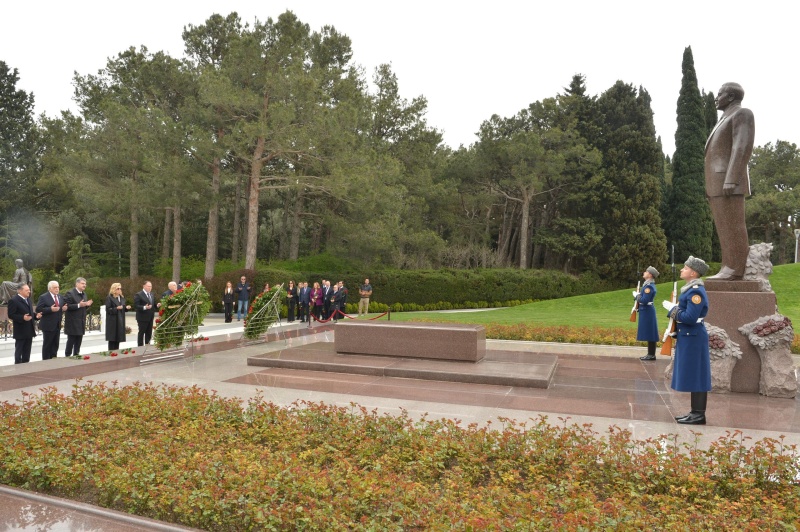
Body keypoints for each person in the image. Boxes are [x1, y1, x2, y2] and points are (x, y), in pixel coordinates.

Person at [704, 82, 755, 281]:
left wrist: (731, 179)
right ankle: (728, 266)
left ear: (731, 96)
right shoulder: (725, 118)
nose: (716, 98)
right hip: (717, 182)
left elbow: (742, 147)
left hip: (728, 181)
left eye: (720, 94)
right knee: (724, 227)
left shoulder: (742, 114)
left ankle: (736, 268)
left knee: (733, 226)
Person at [662, 256, 711, 425]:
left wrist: (673, 310)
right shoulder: (690, 290)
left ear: (693, 273)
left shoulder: (696, 291)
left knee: (698, 375)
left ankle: (699, 414)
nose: (682, 270)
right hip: (689, 336)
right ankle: (695, 412)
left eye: (685, 268)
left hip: (694, 337)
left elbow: (690, 317)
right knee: (694, 374)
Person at [8, 284, 41, 364]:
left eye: (29, 290)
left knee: (27, 351)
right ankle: (18, 366)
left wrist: (36, 316)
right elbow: (11, 315)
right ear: (20, 291)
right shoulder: (14, 300)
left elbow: (30, 313)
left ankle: (26, 366)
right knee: (19, 351)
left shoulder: (28, 300)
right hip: (20, 330)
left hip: (29, 330)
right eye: (27, 290)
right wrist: (22, 317)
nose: (29, 291)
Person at [35, 280, 67, 360]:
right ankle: (46, 361)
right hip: (48, 325)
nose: (57, 289)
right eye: (55, 287)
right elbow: (38, 309)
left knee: (55, 344)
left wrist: (64, 308)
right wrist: (50, 309)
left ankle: (54, 360)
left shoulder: (60, 297)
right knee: (47, 345)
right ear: (49, 289)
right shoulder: (44, 297)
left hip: (57, 325)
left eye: (58, 287)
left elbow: (62, 307)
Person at [634, 267, 660, 361]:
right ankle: (650, 354)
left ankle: (651, 354)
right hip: (646, 310)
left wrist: (637, 296)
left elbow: (644, 300)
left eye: (646, 272)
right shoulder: (647, 285)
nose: (644, 272)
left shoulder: (649, 287)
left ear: (650, 275)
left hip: (647, 311)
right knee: (650, 332)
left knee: (651, 332)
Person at [63, 277, 93, 357]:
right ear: (77, 284)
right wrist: (79, 305)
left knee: (79, 341)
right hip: (72, 322)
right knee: (71, 341)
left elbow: (83, 307)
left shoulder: (84, 294)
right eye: (82, 283)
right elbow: (67, 306)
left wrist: (87, 305)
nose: (84, 285)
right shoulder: (70, 293)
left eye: (85, 284)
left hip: (81, 321)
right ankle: (67, 356)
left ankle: (76, 355)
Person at [105, 283, 131, 350]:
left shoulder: (121, 298)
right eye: (118, 288)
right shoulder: (109, 298)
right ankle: (111, 352)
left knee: (118, 337)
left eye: (120, 288)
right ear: (114, 289)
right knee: (112, 338)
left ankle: (116, 352)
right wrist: (116, 308)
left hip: (120, 319)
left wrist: (126, 308)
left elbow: (123, 307)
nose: (119, 290)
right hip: (113, 320)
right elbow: (108, 309)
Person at [134, 281, 156, 346]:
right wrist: (144, 307)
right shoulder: (138, 294)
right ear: (144, 286)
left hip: (150, 317)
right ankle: (140, 346)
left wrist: (157, 305)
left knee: (149, 332)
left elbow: (153, 304)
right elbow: (136, 306)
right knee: (142, 332)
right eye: (148, 286)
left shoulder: (151, 294)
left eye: (151, 286)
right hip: (142, 317)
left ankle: (147, 345)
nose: (150, 288)